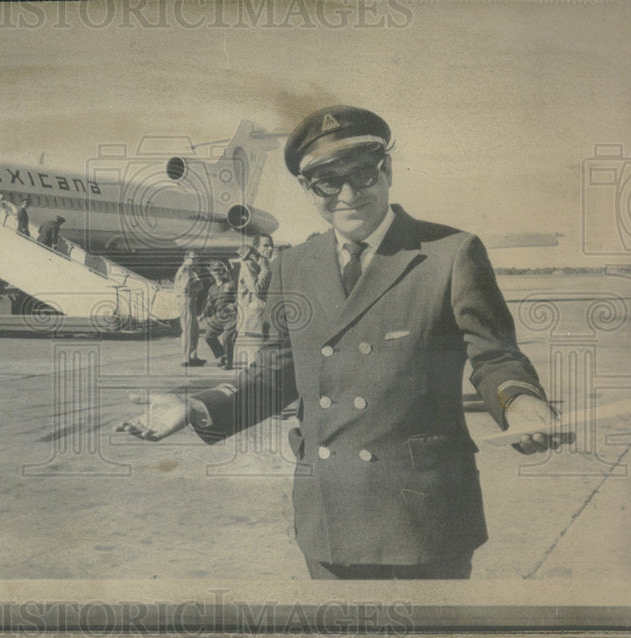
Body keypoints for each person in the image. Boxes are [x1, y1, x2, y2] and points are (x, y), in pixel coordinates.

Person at [118, 105, 563, 580]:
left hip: (424, 515)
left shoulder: (449, 254)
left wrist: (519, 403)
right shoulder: (294, 266)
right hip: (330, 515)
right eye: (328, 182)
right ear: (308, 189)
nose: (349, 194)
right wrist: (196, 406)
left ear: (387, 170)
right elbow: (276, 372)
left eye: (363, 174)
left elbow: (495, 356)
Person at [199, 260, 238, 369]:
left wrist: (234, 304)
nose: (217, 272)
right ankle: (223, 355)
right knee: (208, 336)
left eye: (220, 270)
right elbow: (209, 303)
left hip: (231, 316)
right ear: (211, 272)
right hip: (219, 316)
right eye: (214, 270)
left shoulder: (231, 284)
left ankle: (229, 363)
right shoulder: (212, 288)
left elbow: (240, 297)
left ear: (224, 271)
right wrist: (203, 314)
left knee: (227, 337)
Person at [236, 233, 274, 339]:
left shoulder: (262, 264)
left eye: (272, 246)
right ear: (256, 248)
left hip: (261, 323)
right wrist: (265, 269)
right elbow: (257, 290)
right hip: (252, 324)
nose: (270, 249)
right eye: (266, 245)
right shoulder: (249, 264)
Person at [175, 250, 205, 367]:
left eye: (197, 259)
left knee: (195, 330)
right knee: (188, 329)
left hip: (190, 300)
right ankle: (186, 359)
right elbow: (185, 288)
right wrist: (197, 288)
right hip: (186, 300)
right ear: (186, 258)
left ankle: (192, 356)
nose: (195, 261)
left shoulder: (191, 270)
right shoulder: (186, 270)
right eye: (193, 259)